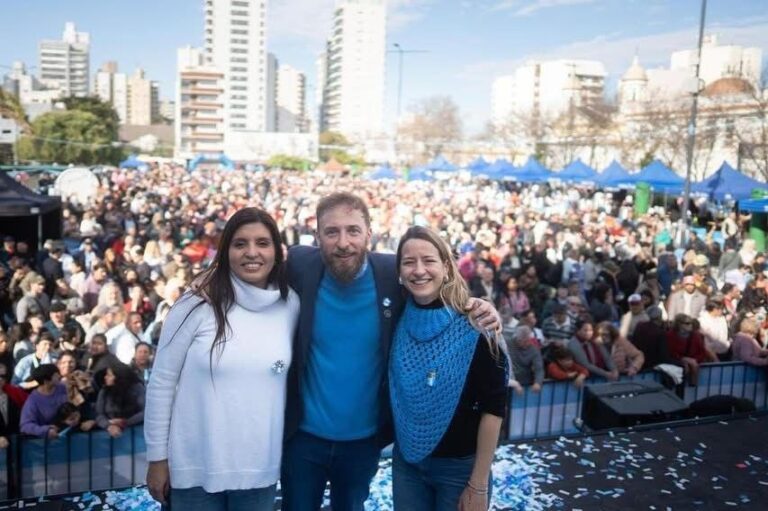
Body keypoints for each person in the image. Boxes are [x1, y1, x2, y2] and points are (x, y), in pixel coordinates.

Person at [281, 193, 499, 511]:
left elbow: (432, 288)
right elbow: (251, 273)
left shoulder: (390, 275)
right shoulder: (300, 264)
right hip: (303, 439)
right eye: (332, 232)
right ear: (317, 237)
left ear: (369, 234)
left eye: (353, 230)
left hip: (363, 442)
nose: (343, 242)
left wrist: (477, 305)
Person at [145, 207, 300, 510]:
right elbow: (162, 382)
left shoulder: (290, 304)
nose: (251, 252)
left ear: (277, 251)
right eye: (240, 243)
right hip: (194, 470)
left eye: (262, 243)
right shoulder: (195, 303)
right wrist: (157, 458)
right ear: (225, 250)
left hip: (259, 472)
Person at [388, 226, 507, 511]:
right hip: (407, 464)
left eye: (428, 260)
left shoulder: (475, 323)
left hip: (459, 469)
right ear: (400, 272)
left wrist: (478, 483)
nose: (419, 270)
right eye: (409, 262)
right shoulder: (395, 316)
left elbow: (495, 408)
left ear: (446, 266)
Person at [95, 364, 145, 438]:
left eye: (109, 375)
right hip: (110, 435)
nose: (105, 377)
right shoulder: (104, 391)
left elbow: (145, 411)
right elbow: (99, 414)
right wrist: (108, 426)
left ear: (119, 377)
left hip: (136, 434)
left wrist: (126, 422)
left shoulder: (137, 388)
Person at [666, 314, 717, 386]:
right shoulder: (670, 335)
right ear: (679, 324)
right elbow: (669, 351)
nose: (690, 325)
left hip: (693, 363)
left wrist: (693, 360)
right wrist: (682, 359)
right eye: (687, 323)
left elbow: (702, 352)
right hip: (676, 363)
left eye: (691, 323)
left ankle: (692, 386)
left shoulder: (696, 336)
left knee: (692, 364)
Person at [19, 364, 68, 438]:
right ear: (46, 381)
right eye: (55, 375)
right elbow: (25, 426)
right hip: (46, 444)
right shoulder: (33, 400)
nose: (59, 376)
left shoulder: (62, 388)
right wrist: (45, 430)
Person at [506, 325, 544, 392]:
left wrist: (538, 382)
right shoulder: (507, 344)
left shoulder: (534, 350)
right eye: (522, 341)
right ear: (517, 339)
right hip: (508, 380)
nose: (526, 343)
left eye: (528, 341)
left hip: (525, 382)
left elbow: (539, 368)